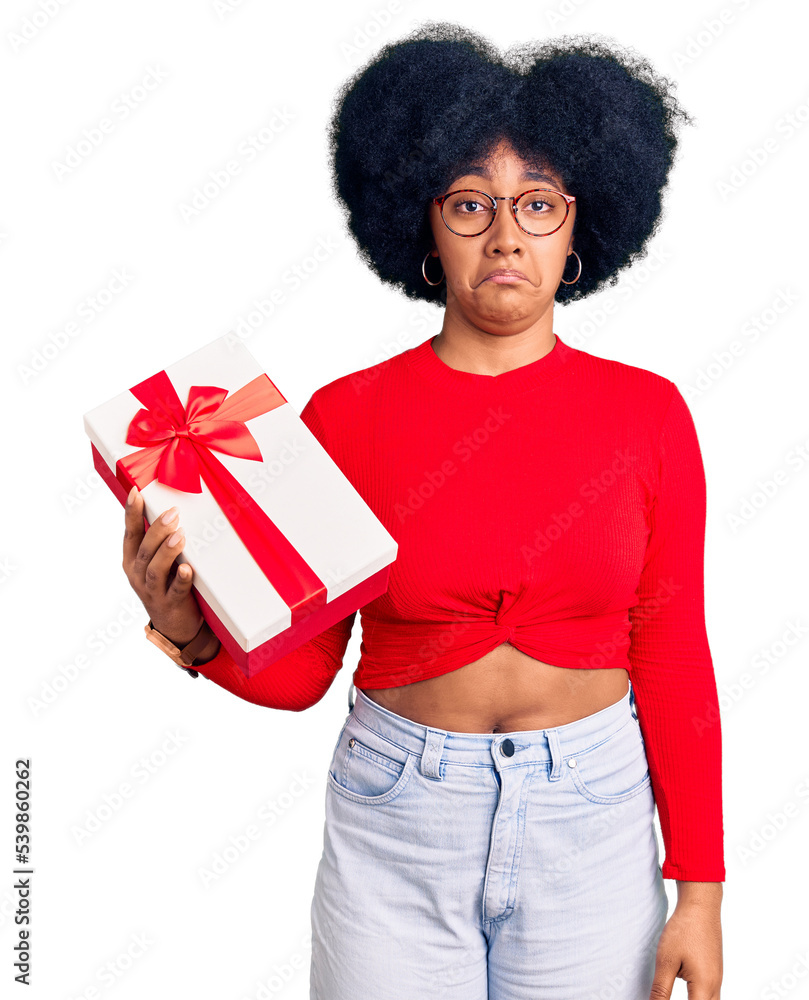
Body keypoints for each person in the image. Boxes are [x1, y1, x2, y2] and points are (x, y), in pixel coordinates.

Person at [121, 22, 724, 1000]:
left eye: (536, 204)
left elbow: (670, 647)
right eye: (469, 204)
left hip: (595, 823)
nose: (503, 236)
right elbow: (306, 669)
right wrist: (190, 631)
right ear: (420, 221)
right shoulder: (343, 418)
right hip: (394, 821)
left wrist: (698, 890)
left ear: (578, 227)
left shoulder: (645, 414)